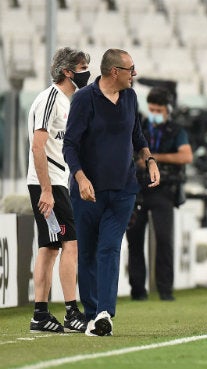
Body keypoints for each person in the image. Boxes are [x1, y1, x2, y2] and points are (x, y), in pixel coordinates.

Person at [63, 49, 160, 336]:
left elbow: (137, 137)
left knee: (109, 248)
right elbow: (70, 145)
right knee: (89, 252)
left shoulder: (130, 97)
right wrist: (80, 178)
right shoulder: (84, 99)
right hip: (88, 191)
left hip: (123, 190)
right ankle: (92, 315)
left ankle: (104, 313)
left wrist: (150, 159)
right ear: (114, 71)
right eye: (131, 69)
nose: (135, 74)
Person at [26, 47, 91, 333]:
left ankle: (40, 314)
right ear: (67, 71)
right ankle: (70, 311)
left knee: (50, 246)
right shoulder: (50, 99)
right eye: (82, 66)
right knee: (70, 244)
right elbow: (37, 146)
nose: (86, 71)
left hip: (57, 182)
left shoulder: (69, 101)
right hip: (48, 183)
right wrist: (46, 190)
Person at [126, 87, 193, 301]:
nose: (154, 112)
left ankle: (165, 290)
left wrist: (154, 158)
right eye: (151, 108)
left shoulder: (176, 131)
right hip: (138, 189)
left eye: (158, 109)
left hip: (163, 190)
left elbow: (186, 156)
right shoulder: (140, 126)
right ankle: (138, 290)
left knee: (164, 239)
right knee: (135, 239)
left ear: (167, 110)